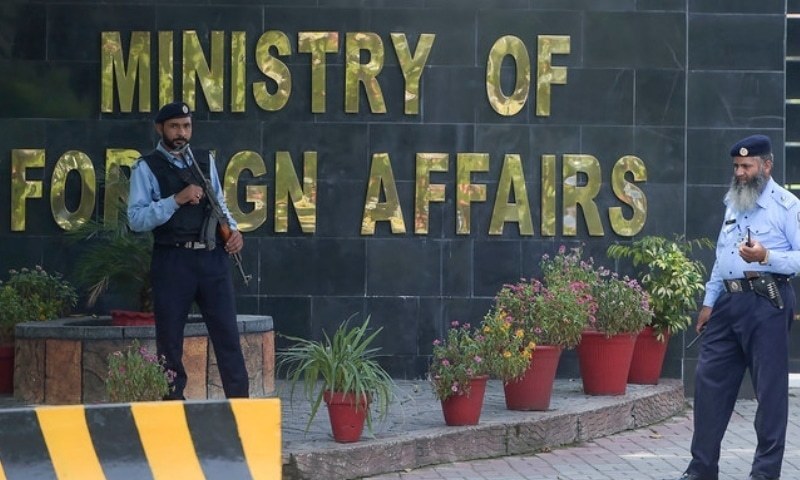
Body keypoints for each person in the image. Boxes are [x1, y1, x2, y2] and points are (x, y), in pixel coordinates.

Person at [675, 134, 798, 480]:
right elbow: (721, 256)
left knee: (769, 394)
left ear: (766, 165)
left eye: (747, 166)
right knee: (709, 384)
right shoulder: (734, 203)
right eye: (736, 167)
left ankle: (764, 473)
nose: (740, 173)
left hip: (767, 302)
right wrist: (708, 302)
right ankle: (701, 469)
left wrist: (766, 256)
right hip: (727, 305)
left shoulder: (787, 206)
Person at [127, 101, 249, 399]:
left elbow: (219, 204)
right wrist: (176, 200)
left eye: (186, 126)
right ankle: (172, 407)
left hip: (212, 258)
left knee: (228, 336)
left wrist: (234, 232)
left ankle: (240, 407)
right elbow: (136, 220)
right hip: (173, 260)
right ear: (160, 128)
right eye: (174, 126)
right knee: (169, 341)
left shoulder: (204, 161)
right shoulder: (146, 167)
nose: (181, 133)